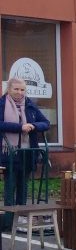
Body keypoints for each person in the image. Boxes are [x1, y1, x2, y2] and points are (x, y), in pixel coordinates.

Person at [1, 77, 50, 211]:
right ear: (9, 89)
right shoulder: (2, 104)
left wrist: (33, 126)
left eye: (22, 89)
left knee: (23, 186)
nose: (19, 92)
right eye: (16, 89)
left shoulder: (29, 104)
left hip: (28, 152)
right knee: (10, 187)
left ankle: (21, 217)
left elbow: (46, 123)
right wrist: (20, 127)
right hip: (10, 153)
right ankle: (8, 221)